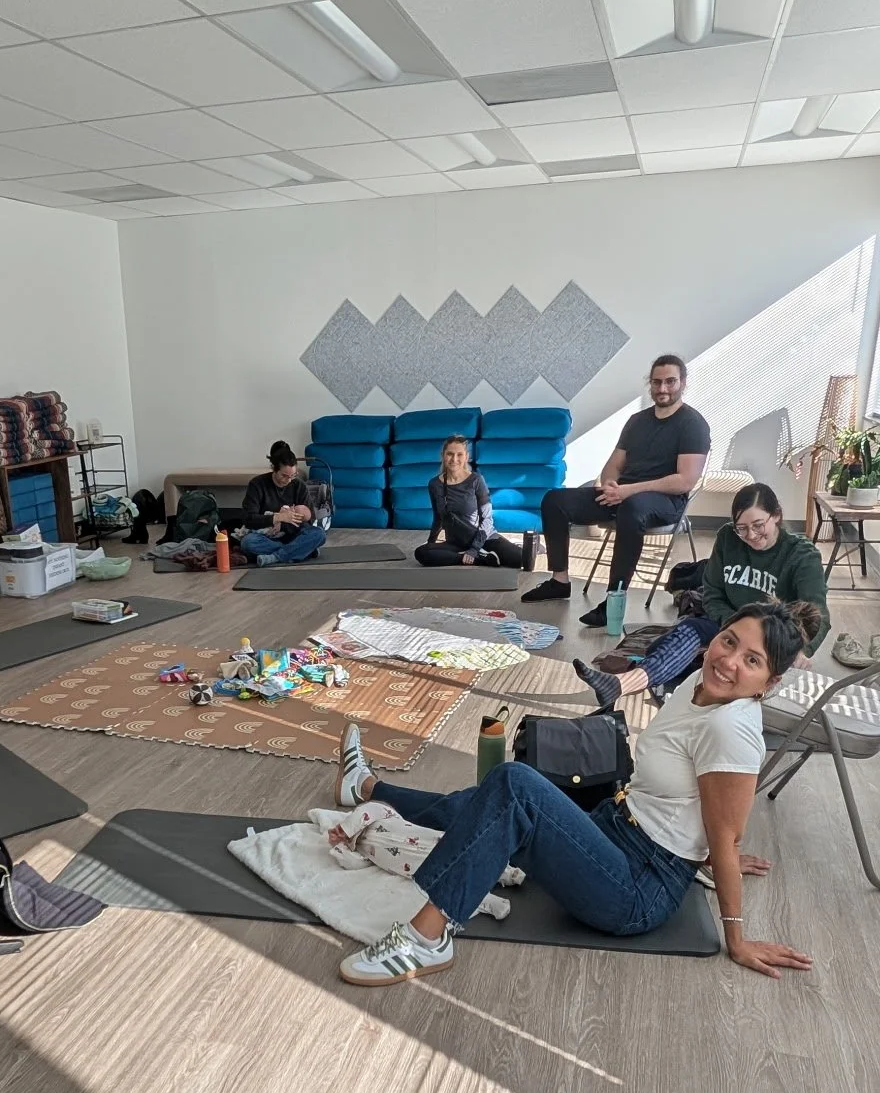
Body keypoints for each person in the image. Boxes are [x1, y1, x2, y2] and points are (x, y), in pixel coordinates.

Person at [331, 599, 819, 986]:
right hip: (618, 822)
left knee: (513, 786)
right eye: (729, 642)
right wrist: (713, 850)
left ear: (769, 682)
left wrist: (736, 934)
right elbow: (698, 807)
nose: (729, 661)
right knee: (485, 804)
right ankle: (369, 789)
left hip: (637, 886)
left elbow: (724, 831)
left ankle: (426, 939)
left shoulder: (733, 730)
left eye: (751, 660)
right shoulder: (699, 678)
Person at [572, 481, 831, 709]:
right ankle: (620, 684)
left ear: (776, 516)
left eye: (758, 525)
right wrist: (732, 628)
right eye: (742, 528)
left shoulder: (801, 555)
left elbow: (818, 616)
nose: (750, 535)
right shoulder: (728, 538)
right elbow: (712, 594)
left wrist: (800, 650)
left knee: (715, 668)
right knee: (687, 633)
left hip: (769, 638)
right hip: (726, 624)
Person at [525, 355, 711, 627]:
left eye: (670, 382)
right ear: (650, 384)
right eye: (657, 382)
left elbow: (684, 481)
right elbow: (613, 465)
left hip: (665, 501)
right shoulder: (637, 421)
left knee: (632, 509)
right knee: (554, 500)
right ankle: (559, 580)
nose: (662, 389)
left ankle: (614, 598)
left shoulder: (693, 424)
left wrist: (628, 491)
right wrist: (611, 483)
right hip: (623, 495)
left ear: (682, 382)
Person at [414, 436, 521, 568]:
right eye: (450, 454)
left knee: (520, 559)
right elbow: (438, 518)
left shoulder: (476, 480)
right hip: (456, 543)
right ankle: (480, 559)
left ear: (466, 457)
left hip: (483, 539)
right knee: (421, 553)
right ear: (443, 455)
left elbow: (487, 519)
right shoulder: (434, 484)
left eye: (459, 454)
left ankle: (511, 547)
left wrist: (474, 548)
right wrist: (431, 543)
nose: (454, 459)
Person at [240, 441, 329, 564]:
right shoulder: (257, 484)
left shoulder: (298, 485)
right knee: (248, 543)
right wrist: (277, 517)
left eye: (293, 475)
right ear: (273, 469)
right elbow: (248, 518)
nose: (288, 480)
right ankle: (302, 550)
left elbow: (309, 519)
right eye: (284, 476)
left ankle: (276, 557)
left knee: (319, 534)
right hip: (267, 537)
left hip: (294, 535)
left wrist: (283, 524)